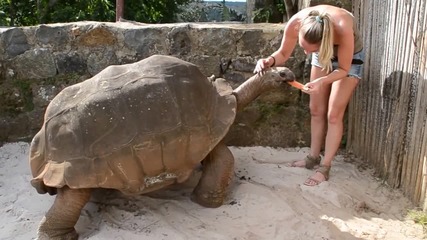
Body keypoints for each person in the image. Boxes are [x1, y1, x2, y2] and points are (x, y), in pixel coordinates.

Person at [254, 4, 364, 186]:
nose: (306, 53)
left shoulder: (343, 27)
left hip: (349, 60)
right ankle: (312, 158)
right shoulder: (296, 22)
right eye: (303, 47)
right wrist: (268, 61)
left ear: (323, 42)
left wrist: (322, 81)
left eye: (310, 50)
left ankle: (325, 168)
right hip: (322, 54)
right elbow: (282, 53)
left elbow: (344, 69)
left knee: (334, 114)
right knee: (315, 109)